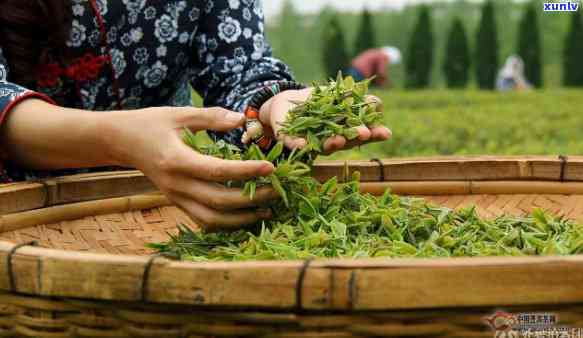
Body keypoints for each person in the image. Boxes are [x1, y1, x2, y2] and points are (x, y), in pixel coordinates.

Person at [0, 0, 391, 231]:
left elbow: (238, 66)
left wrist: (271, 105)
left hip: (155, 210)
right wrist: (118, 138)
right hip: (17, 216)